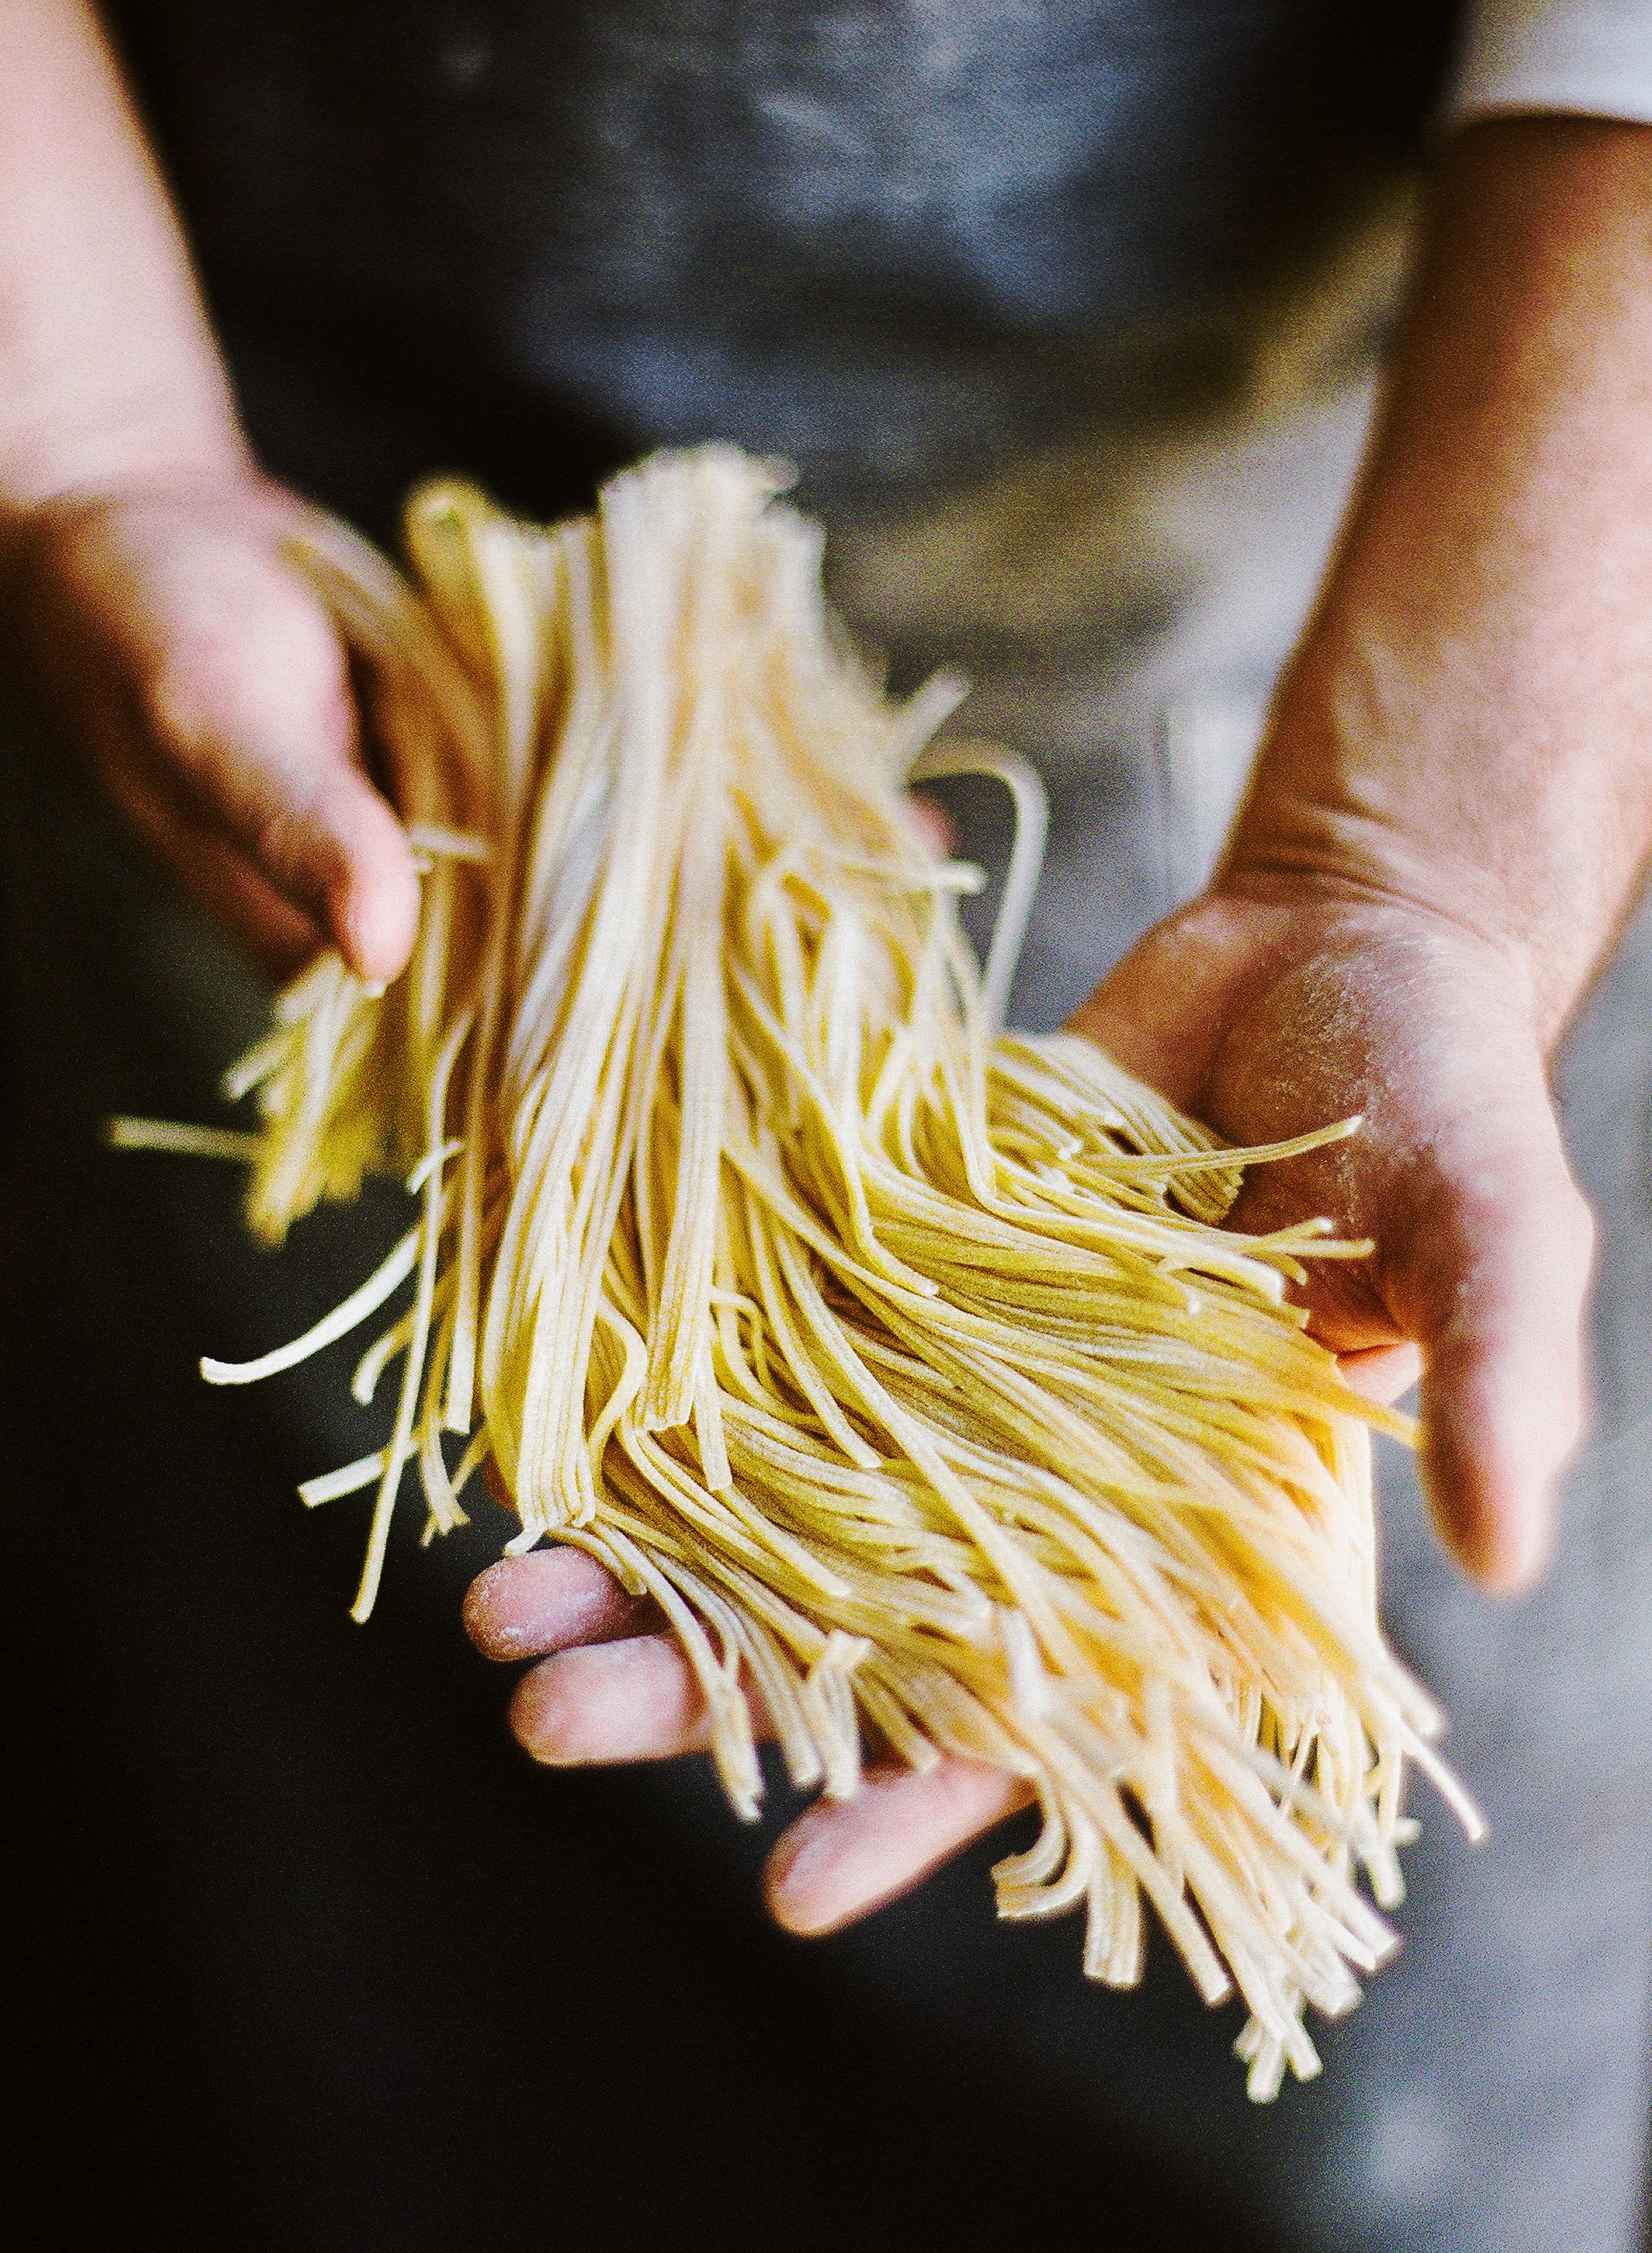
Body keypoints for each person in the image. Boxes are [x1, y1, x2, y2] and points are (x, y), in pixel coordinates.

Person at [1, 4, 1648, 2249]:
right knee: (375, 1975)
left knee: (1330, 2040)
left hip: (1342, 656)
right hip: (299, 706)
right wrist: (86, 437)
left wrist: (1416, 858)